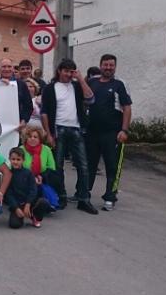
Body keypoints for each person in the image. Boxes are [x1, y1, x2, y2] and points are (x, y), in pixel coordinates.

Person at [40, 58, 98, 214]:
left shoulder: (77, 86)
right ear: (59, 71)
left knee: (83, 165)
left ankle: (84, 199)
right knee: (57, 166)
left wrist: (80, 79)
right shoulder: (50, 88)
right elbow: (44, 112)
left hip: (76, 129)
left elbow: (91, 99)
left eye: (71, 71)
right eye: (66, 71)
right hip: (58, 129)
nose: (68, 74)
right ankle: (61, 196)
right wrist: (48, 133)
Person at [86, 54, 132, 211]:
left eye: (111, 65)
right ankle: (85, 194)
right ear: (100, 65)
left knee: (112, 166)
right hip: (92, 133)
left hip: (112, 133)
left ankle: (110, 197)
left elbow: (127, 107)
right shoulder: (92, 82)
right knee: (89, 165)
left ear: (115, 67)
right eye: (105, 65)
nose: (108, 68)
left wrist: (124, 130)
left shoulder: (119, 85)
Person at [5, 148, 52, 229]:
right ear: (9, 159)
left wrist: (28, 203)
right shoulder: (8, 174)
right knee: (14, 225)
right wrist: (16, 208)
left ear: (23, 160)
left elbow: (33, 189)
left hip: (29, 202)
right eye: (13, 159)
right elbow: (8, 194)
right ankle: (20, 215)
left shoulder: (28, 173)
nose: (15, 162)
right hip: (17, 204)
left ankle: (35, 216)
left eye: (18, 159)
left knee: (44, 202)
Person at [20, 126, 61, 203]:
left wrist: (41, 176)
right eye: (30, 136)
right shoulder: (21, 149)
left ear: (40, 139)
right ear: (26, 138)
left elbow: (52, 168)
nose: (32, 138)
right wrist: (31, 178)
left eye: (35, 137)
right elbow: (14, 167)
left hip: (42, 179)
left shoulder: (47, 150)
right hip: (24, 179)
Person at [0, 58, 33, 129]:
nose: (7, 69)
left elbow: (28, 106)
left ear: (13, 69)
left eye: (9, 66)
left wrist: (24, 120)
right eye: (4, 67)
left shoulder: (21, 84)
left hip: (16, 125)